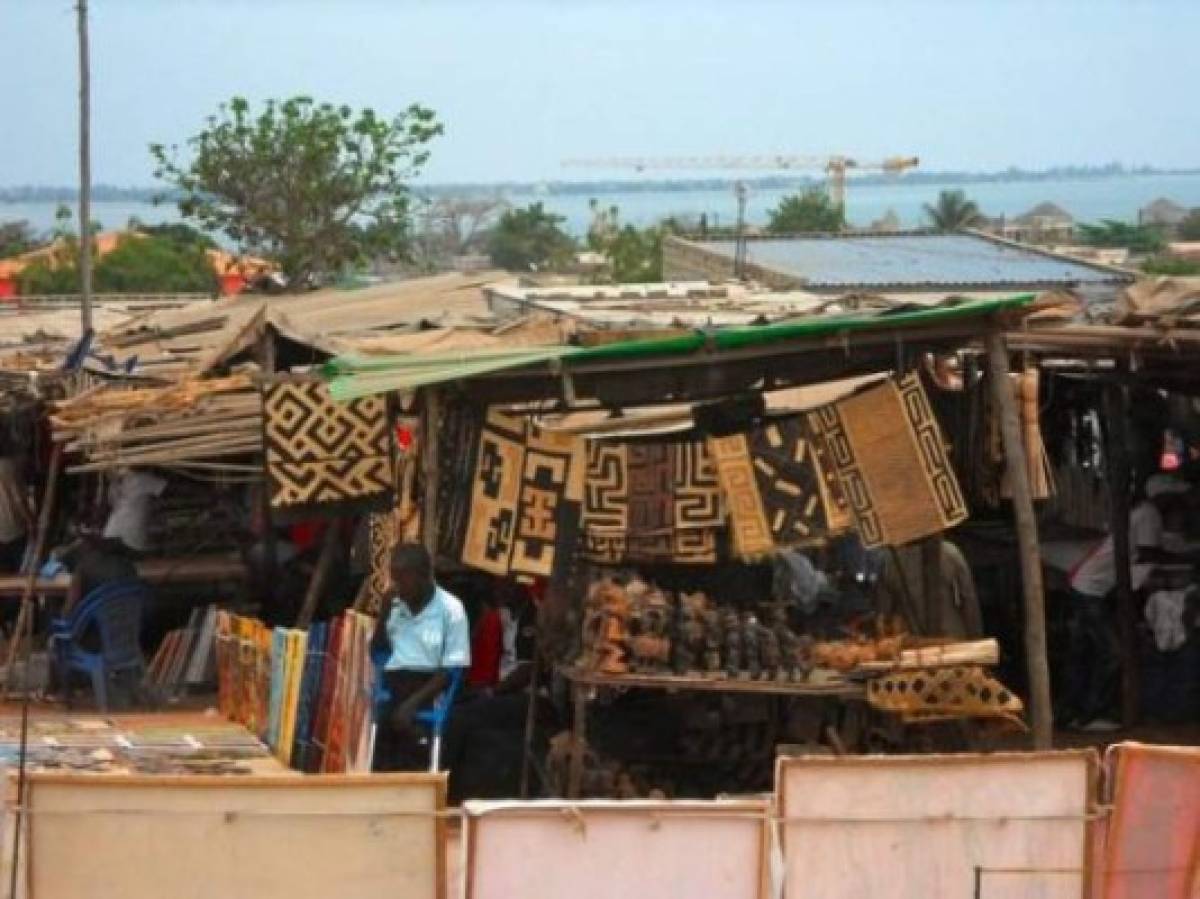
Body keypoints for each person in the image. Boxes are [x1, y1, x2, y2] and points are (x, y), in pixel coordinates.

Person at [1063, 474, 1190, 731]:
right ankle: (1090, 714)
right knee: (1112, 653)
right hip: (1091, 590)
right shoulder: (1149, 514)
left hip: (1084, 586)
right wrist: (1187, 558)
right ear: (1164, 498)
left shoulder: (1143, 512)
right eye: (1176, 500)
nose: (1179, 506)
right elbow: (1146, 552)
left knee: (1084, 653)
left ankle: (1072, 714)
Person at [370, 543, 470, 771]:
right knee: (379, 727)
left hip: (429, 686)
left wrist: (411, 705)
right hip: (394, 682)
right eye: (394, 579)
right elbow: (378, 650)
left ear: (423, 576)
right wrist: (384, 614)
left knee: (404, 724)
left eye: (402, 579)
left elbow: (452, 670)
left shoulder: (451, 609)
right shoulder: (395, 604)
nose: (397, 586)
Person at [876, 539, 983, 639]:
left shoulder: (891, 561)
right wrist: (976, 637)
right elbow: (969, 601)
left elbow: (885, 613)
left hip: (914, 644)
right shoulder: (950, 553)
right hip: (952, 638)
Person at [103, 467, 166, 556]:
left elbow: (167, 489)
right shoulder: (117, 483)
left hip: (122, 535)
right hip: (121, 535)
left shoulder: (143, 479)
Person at [0, 454, 31, 574]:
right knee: (21, 571)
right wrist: (31, 521)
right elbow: (19, 499)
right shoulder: (8, 467)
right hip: (14, 529)